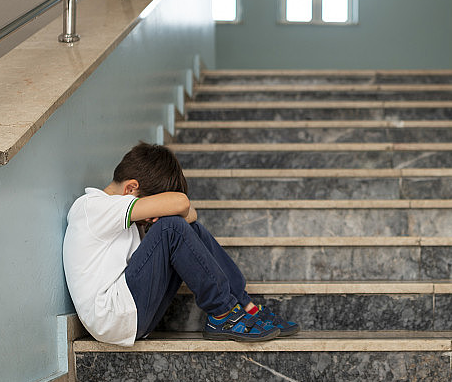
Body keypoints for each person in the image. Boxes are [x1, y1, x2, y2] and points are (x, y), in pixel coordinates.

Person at [62, 142, 299, 347]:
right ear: (131, 188)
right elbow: (180, 203)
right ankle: (223, 313)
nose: (148, 220)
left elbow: (189, 213)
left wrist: (169, 214)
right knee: (170, 227)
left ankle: (244, 307)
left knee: (183, 227)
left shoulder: (123, 215)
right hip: (112, 317)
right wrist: (168, 215)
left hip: (131, 315)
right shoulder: (92, 207)